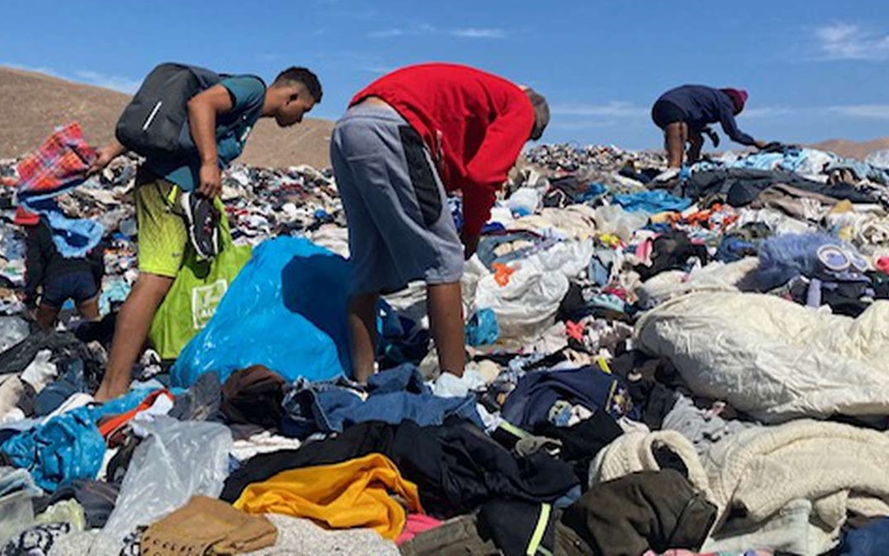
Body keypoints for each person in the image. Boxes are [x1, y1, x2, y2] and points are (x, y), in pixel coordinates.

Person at [88, 66, 323, 401]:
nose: (301, 119)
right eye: (304, 109)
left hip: (170, 187)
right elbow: (199, 105)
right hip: (168, 188)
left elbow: (170, 127)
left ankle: (136, 368)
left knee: (166, 281)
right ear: (292, 96)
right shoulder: (252, 89)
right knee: (154, 280)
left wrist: (111, 151)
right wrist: (209, 163)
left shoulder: (247, 109)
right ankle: (112, 388)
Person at [331, 63, 550, 382]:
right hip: (391, 128)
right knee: (446, 260)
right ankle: (455, 383)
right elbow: (483, 175)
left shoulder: (486, 91)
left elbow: (453, 160)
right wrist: (472, 230)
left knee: (369, 264)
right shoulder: (520, 108)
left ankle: (361, 380)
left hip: (348, 127)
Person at [18, 210, 104, 331]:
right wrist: (96, 282)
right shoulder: (71, 220)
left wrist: (30, 294)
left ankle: (46, 346)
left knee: (43, 327)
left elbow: (35, 267)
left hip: (56, 279)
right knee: (94, 324)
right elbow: (95, 252)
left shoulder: (35, 231)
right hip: (83, 274)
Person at [650, 84, 766, 172]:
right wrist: (754, 142)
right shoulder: (725, 103)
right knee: (677, 153)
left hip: (659, 110)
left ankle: (691, 164)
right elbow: (733, 133)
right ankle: (673, 171)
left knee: (697, 140)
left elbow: (695, 115)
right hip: (673, 110)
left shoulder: (712, 98)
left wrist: (709, 131)